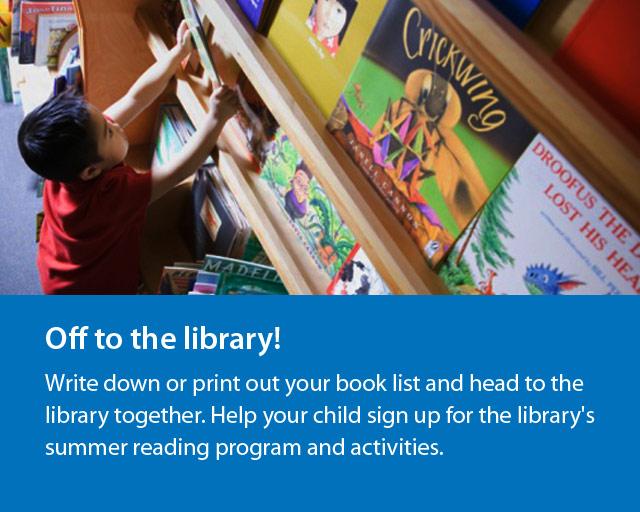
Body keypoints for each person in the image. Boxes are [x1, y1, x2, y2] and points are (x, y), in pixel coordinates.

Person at [17, 21, 239, 294]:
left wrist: (177, 53)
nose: (116, 125)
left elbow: (134, 98)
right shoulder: (112, 196)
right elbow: (179, 170)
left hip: (57, 265)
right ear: (90, 172)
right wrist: (216, 118)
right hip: (88, 291)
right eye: (109, 132)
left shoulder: (68, 162)